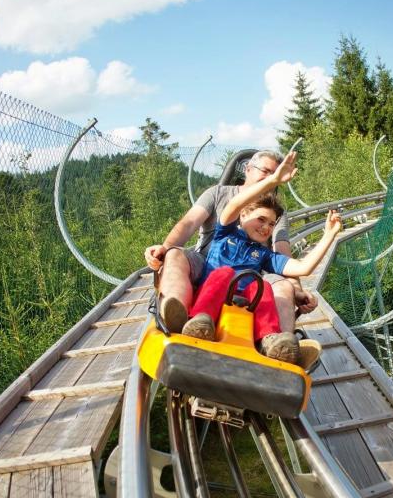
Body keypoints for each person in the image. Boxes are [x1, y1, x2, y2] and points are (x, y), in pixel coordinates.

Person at [177, 166, 342, 367]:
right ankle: (200, 321)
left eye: (272, 224)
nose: (266, 228)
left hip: (245, 304)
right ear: (244, 215)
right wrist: (272, 181)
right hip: (214, 296)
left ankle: (270, 339)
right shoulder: (225, 233)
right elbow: (235, 204)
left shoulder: (264, 254)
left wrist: (329, 235)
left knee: (260, 285)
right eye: (261, 219)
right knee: (225, 272)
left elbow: (303, 268)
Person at [144, 149, 318, 338]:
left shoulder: (275, 212)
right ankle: (175, 314)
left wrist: (297, 289)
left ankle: (284, 341)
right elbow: (188, 224)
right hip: (207, 261)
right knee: (174, 254)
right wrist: (165, 247)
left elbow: (282, 250)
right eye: (267, 171)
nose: (274, 177)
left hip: (252, 270)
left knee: (283, 286)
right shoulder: (218, 193)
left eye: (277, 173)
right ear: (248, 169)